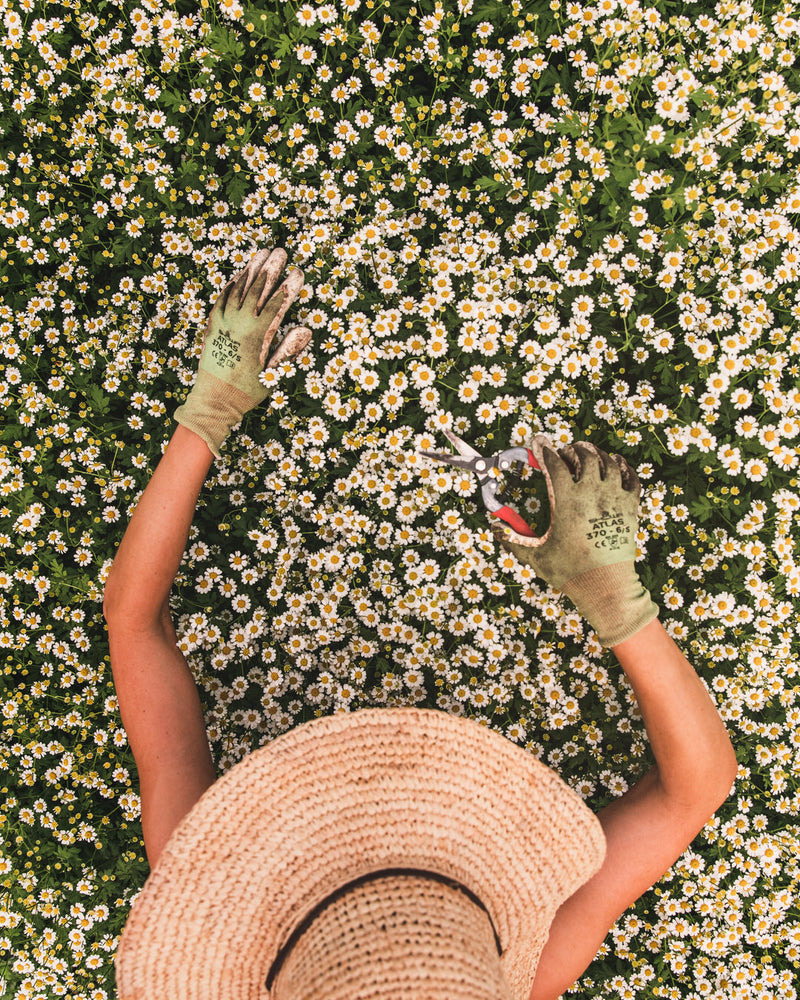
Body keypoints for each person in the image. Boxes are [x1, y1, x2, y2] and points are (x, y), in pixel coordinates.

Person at [105, 250, 737, 1000]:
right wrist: (616, 604)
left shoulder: (211, 882)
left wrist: (208, 413)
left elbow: (135, 623)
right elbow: (694, 789)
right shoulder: (514, 976)